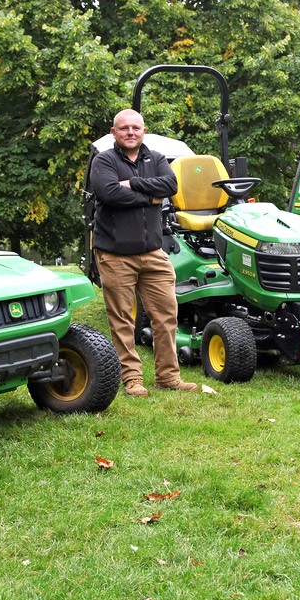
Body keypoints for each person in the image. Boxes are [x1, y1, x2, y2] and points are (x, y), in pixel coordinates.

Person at [90, 108, 198, 395]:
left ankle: (168, 376)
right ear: (114, 132)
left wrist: (134, 185)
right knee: (123, 319)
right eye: (124, 128)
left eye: (135, 128)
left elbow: (171, 185)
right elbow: (109, 193)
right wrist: (151, 197)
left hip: (153, 253)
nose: (130, 133)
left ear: (143, 131)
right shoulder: (104, 161)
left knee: (166, 315)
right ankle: (132, 378)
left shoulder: (157, 158)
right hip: (115, 255)